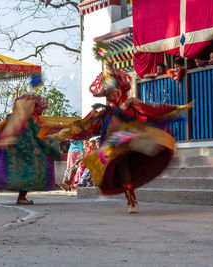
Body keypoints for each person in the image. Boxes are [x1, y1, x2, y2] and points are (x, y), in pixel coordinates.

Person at [58, 47, 191, 213]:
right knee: (120, 169)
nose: (110, 95)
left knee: (128, 162)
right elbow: (87, 127)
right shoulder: (103, 113)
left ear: (120, 91)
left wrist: (174, 110)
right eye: (108, 93)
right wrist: (69, 131)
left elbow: (151, 111)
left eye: (112, 92)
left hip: (130, 142)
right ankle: (130, 198)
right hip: (113, 149)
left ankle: (136, 186)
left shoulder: (130, 105)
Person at [0, 93, 60, 205]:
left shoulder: (27, 119)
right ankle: (7, 195)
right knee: (11, 170)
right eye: (38, 106)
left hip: (18, 151)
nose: (41, 109)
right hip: (18, 151)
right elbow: (1, 127)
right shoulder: (19, 118)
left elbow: (1, 127)